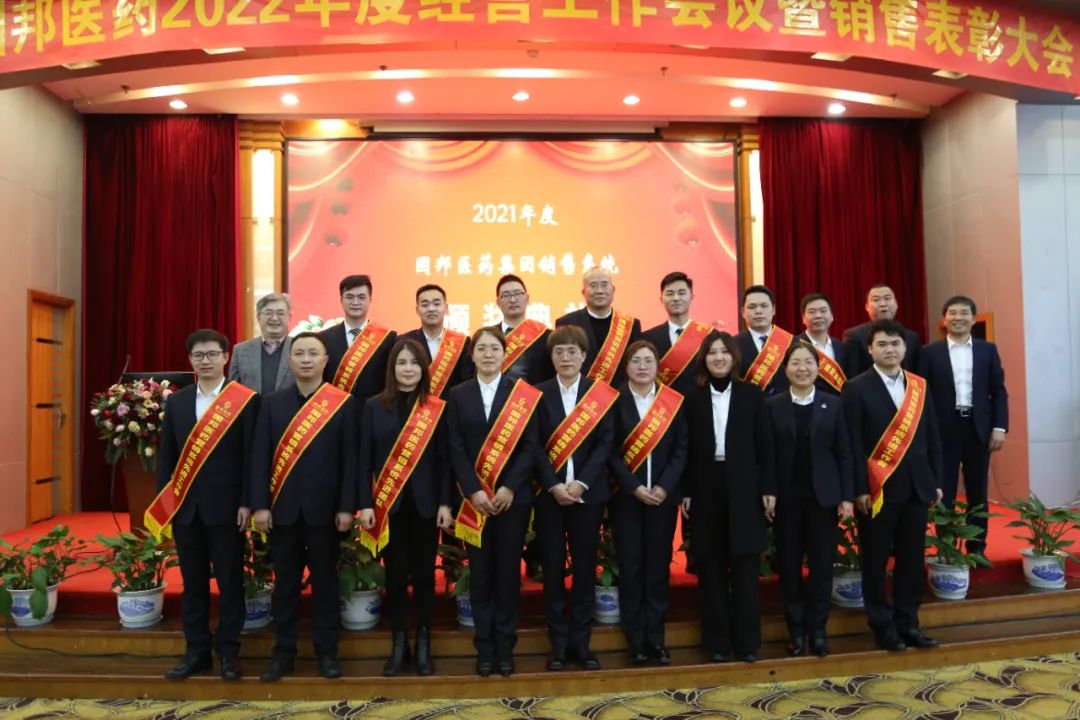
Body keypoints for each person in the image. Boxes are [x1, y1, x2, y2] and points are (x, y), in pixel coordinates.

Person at [250, 332, 372, 682]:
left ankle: (327, 653)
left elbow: (351, 460)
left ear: (325, 360)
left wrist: (347, 506)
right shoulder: (271, 403)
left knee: (326, 584)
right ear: (289, 360)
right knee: (285, 585)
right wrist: (260, 505)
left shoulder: (343, 403)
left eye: (313, 354)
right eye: (299, 353)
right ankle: (283, 654)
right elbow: (259, 457)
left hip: (326, 513)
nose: (306, 359)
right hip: (282, 511)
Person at [153, 329, 258, 682]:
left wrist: (247, 501)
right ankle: (196, 652)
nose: (206, 361)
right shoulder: (177, 402)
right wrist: (165, 504)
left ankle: (228, 652)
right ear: (190, 360)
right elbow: (167, 459)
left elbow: (252, 457)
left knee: (230, 583)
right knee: (193, 585)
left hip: (228, 510)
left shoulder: (243, 400)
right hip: (186, 510)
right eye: (199, 355)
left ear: (226, 357)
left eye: (213, 354)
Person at [842, 319, 943, 652]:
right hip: (878, 491)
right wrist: (859, 488)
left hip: (916, 488)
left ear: (905, 348)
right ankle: (881, 625)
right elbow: (852, 443)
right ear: (870, 349)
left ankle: (908, 622)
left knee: (911, 561)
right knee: (875, 561)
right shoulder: (855, 387)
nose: (890, 350)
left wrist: (935, 480)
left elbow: (932, 435)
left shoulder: (920, 386)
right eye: (882, 344)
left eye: (895, 344)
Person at [446, 327, 541, 678]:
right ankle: (484, 648)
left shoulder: (521, 394)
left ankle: (505, 647)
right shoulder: (458, 394)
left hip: (511, 501)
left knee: (507, 574)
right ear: (472, 355)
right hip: (474, 503)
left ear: (505, 354)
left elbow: (531, 446)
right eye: (481, 349)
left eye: (494, 349)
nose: (488, 354)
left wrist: (509, 488)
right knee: (481, 574)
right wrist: (473, 491)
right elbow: (455, 446)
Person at [358, 339, 453, 677]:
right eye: (402, 363)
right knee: (396, 576)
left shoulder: (436, 408)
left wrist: (445, 502)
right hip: (388, 506)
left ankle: (424, 644)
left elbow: (445, 462)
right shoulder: (373, 407)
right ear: (392, 368)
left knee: (425, 577)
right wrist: (364, 504)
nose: (408, 369)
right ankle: (400, 645)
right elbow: (364, 460)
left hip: (427, 507)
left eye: (414, 363)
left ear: (423, 369)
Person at [684, 330, 773, 663]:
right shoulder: (692, 397)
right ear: (704, 359)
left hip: (745, 487)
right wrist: (687, 491)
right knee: (711, 567)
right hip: (705, 487)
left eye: (724, 352)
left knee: (746, 567)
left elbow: (765, 445)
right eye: (712, 352)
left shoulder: (752, 394)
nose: (718, 357)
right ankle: (717, 642)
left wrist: (769, 488)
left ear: (734, 357)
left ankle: (747, 642)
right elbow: (686, 450)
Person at [534, 325, 617, 672]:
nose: (565, 358)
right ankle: (558, 645)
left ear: (584, 356)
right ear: (551, 357)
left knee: (584, 570)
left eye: (572, 351)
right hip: (549, 497)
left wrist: (581, 483)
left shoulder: (600, 395)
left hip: (588, 496)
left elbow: (605, 443)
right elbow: (533, 446)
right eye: (559, 352)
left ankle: (581, 644)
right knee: (553, 571)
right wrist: (553, 485)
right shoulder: (538, 394)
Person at [763, 343, 854, 658]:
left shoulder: (834, 404)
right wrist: (769, 490)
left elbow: (844, 453)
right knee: (789, 567)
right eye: (795, 363)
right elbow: (767, 454)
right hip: (787, 499)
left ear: (818, 368)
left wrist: (846, 496)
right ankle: (796, 631)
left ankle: (818, 630)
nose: (802, 368)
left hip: (823, 499)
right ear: (785, 369)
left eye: (808, 363)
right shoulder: (773, 405)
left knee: (821, 567)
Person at [608, 340, 688, 666]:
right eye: (636, 361)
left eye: (648, 361)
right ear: (626, 367)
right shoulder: (615, 401)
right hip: (627, 499)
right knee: (630, 568)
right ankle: (635, 641)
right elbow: (609, 452)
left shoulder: (672, 401)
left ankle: (656, 639)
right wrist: (634, 487)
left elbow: (681, 449)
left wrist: (665, 487)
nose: (642, 366)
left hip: (662, 500)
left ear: (658, 366)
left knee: (657, 569)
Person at [918, 295, 1008, 554]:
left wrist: (999, 427)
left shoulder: (987, 350)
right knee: (943, 490)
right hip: (942, 430)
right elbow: (921, 394)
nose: (958, 318)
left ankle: (977, 547)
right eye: (953, 313)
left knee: (978, 490)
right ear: (944, 319)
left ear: (973, 318)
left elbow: (998, 391)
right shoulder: (929, 352)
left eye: (964, 313)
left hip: (978, 428)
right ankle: (946, 546)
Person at [555, 267, 642, 386]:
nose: (599, 291)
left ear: (613, 290)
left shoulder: (631, 325)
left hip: (620, 393)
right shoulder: (566, 323)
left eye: (604, 285)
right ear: (583, 292)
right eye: (593, 286)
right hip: (580, 394)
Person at [319, 274, 396, 399]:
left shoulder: (388, 338)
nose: (355, 302)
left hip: (372, 408)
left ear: (370, 300)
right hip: (336, 407)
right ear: (341, 300)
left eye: (361, 297)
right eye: (350, 297)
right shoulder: (324, 338)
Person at [642, 271, 713, 397]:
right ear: (661, 299)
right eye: (670, 294)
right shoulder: (647, 338)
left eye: (681, 293)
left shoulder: (710, 336)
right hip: (664, 405)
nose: (676, 298)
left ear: (692, 296)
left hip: (702, 402)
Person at [399, 283, 474, 398]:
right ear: (417, 310)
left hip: (451, 407)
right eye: (425, 305)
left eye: (437, 304)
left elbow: (467, 382)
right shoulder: (403, 341)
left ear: (446, 308)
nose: (431, 309)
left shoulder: (463, 343)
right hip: (412, 406)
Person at [843, 284, 921, 374]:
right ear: (867, 307)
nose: (883, 304)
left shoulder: (912, 337)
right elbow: (852, 374)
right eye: (876, 300)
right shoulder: (854, 336)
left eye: (887, 298)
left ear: (896, 304)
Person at [228, 292, 295, 393]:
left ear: (289, 317)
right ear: (258, 317)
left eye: (280, 313)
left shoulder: (299, 348)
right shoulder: (240, 351)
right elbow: (234, 390)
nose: (274, 318)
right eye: (268, 313)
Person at [494, 274, 554, 385]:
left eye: (518, 294)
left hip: (537, 394)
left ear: (527, 298)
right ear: (498, 303)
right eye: (506, 295)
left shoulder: (546, 336)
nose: (513, 300)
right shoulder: (488, 336)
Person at [734, 285, 793, 397]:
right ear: (743, 312)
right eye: (752, 307)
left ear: (773, 310)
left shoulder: (791, 342)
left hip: (786, 404)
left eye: (764, 306)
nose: (758, 311)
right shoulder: (733, 345)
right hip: (749, 405)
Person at [796, 292, 850, 396]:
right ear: (803, 318)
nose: (818, 316)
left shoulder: (841, 347)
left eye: (823, 311)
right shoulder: (794, 345)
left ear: (832, 316)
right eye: (812, 312)